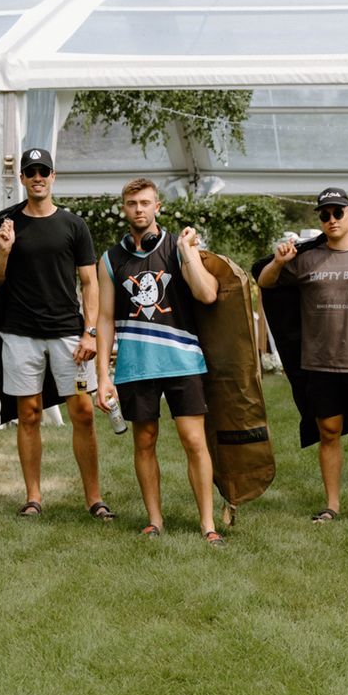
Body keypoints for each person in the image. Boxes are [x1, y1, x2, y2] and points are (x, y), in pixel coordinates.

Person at [258, 187, 348, 523]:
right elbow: (266, 283)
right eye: (325, 214)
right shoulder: (306, 260)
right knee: (328, 432)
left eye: (338, 212)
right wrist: (279, 262)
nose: (331, 219)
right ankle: (332, 504)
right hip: (319, 363)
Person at [0, 147, 111, 520]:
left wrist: (89, 333)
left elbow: (90, 283)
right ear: (22, 179)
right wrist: (4, 251)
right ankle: (34, 498)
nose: (38, 177)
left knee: (83, 413)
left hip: (68, 335)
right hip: (20, 334)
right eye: (31, 172)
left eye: (44, 171)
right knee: (29, 414)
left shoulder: (73, 225)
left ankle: (94, 499)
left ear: (54, 176)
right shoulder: (7, 225)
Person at [95, 177, 225, 545]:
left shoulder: (179, 246)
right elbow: (104, 319)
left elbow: (208, 294)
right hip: (137, 365)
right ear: (124, 208)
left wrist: (188, 252)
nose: (139, 209)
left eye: (146, 202)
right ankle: (155, 520)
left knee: (193, 440)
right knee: (145, 441)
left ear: (158, 207)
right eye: (132, 203)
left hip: (184, 361)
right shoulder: (110, 259)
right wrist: (103, 376)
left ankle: (207, 524)